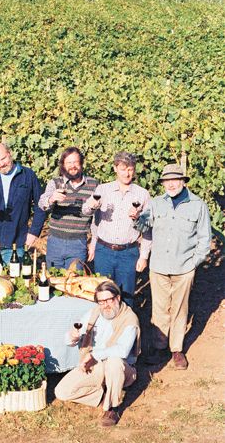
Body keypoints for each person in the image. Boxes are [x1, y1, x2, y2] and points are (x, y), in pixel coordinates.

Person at [131, 164, 211, 369]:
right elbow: (144, 227)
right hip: (158, 266)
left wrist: (193, 263)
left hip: (184, 268)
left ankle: (177, 349)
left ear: (183, 181)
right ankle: (160, 347)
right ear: (163, 183)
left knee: (179, 309)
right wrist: (136, 219)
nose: (171, 184)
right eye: (167, 181)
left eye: (175, 180)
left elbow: (204, 239)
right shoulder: (156, 204)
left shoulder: (198, 205)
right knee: (159, 308)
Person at [55, 280, 140, 427]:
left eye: (109, 300)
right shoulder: (94, 313)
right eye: (101, 301)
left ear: (118, 298)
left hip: (121, 368)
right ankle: (102, 396)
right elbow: (70, 338)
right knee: (61, 392)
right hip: (95, 365)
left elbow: (123, 350)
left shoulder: (129, 318)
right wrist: (73, 337)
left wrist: (94, 355)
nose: (106, 305)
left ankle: (113, 407)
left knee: (114, 362)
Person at [82, 151, 152, 306]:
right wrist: (91, 207)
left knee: (126, 296)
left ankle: (125, 328)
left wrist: (144, 256)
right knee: (102, 295)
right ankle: (103, 329)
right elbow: (86, 212)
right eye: (123, 169)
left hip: (129, 253)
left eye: (130, 169)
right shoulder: (102, 190)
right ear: (115, 168)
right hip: (104, 251)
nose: (127, 173)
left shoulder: (143, 195)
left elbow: (147, 229)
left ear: (134, 170)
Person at [38, 147, 98, 269]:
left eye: (75, 162)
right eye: (69, 163)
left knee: (74, 281)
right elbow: (41, 203)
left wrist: (93, 243)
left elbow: (97, 219)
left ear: (81, 163)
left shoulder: (93, 185)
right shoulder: (55, 183)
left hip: (78, 243)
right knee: (53, 280)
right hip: (55, 241)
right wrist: (51, 199)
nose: (72, 166)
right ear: (63, 165)